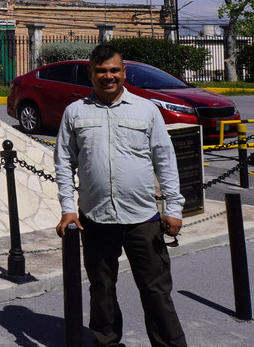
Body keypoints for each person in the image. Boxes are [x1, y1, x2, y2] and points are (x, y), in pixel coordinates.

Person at [54, 43, 187, 347]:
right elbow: (64, 163)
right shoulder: (74, 112)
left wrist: (174, 208)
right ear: (91, 73)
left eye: (114, 70)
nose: (108, 76)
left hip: (143, 219)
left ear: (124, 73)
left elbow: (165, 160)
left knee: (156, 293)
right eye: (101, 70)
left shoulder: (146, 110)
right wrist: (67, 208)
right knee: (101, 290)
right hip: (96, 218)